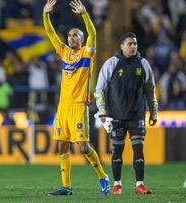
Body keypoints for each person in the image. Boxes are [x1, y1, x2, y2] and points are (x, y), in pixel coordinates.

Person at [43, 0, 109, 196]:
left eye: (76, 36)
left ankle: (102, 176)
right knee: (62, 144)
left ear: (82, 40)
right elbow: (50, 33)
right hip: (63, 106)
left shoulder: (87, 53)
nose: (72, 38)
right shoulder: (63, 51)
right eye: (70, 35)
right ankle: (66, 187)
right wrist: (45, 15)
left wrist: (85, 15)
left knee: (83, 147)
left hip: (79, 106)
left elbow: (94, 34)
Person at [94, 32, 158, 195]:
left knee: (138, 149)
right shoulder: (111, 64)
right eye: (129, 44)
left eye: (135, 44)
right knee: (117, 150)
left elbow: (150, 89)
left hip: (137, 114)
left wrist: (153, 111)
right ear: (121, 46)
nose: (133, 47)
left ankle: (140, 185)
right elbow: (99, 89)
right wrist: (102, 111)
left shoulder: (143, 64)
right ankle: (117, 185)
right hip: (116, 116)